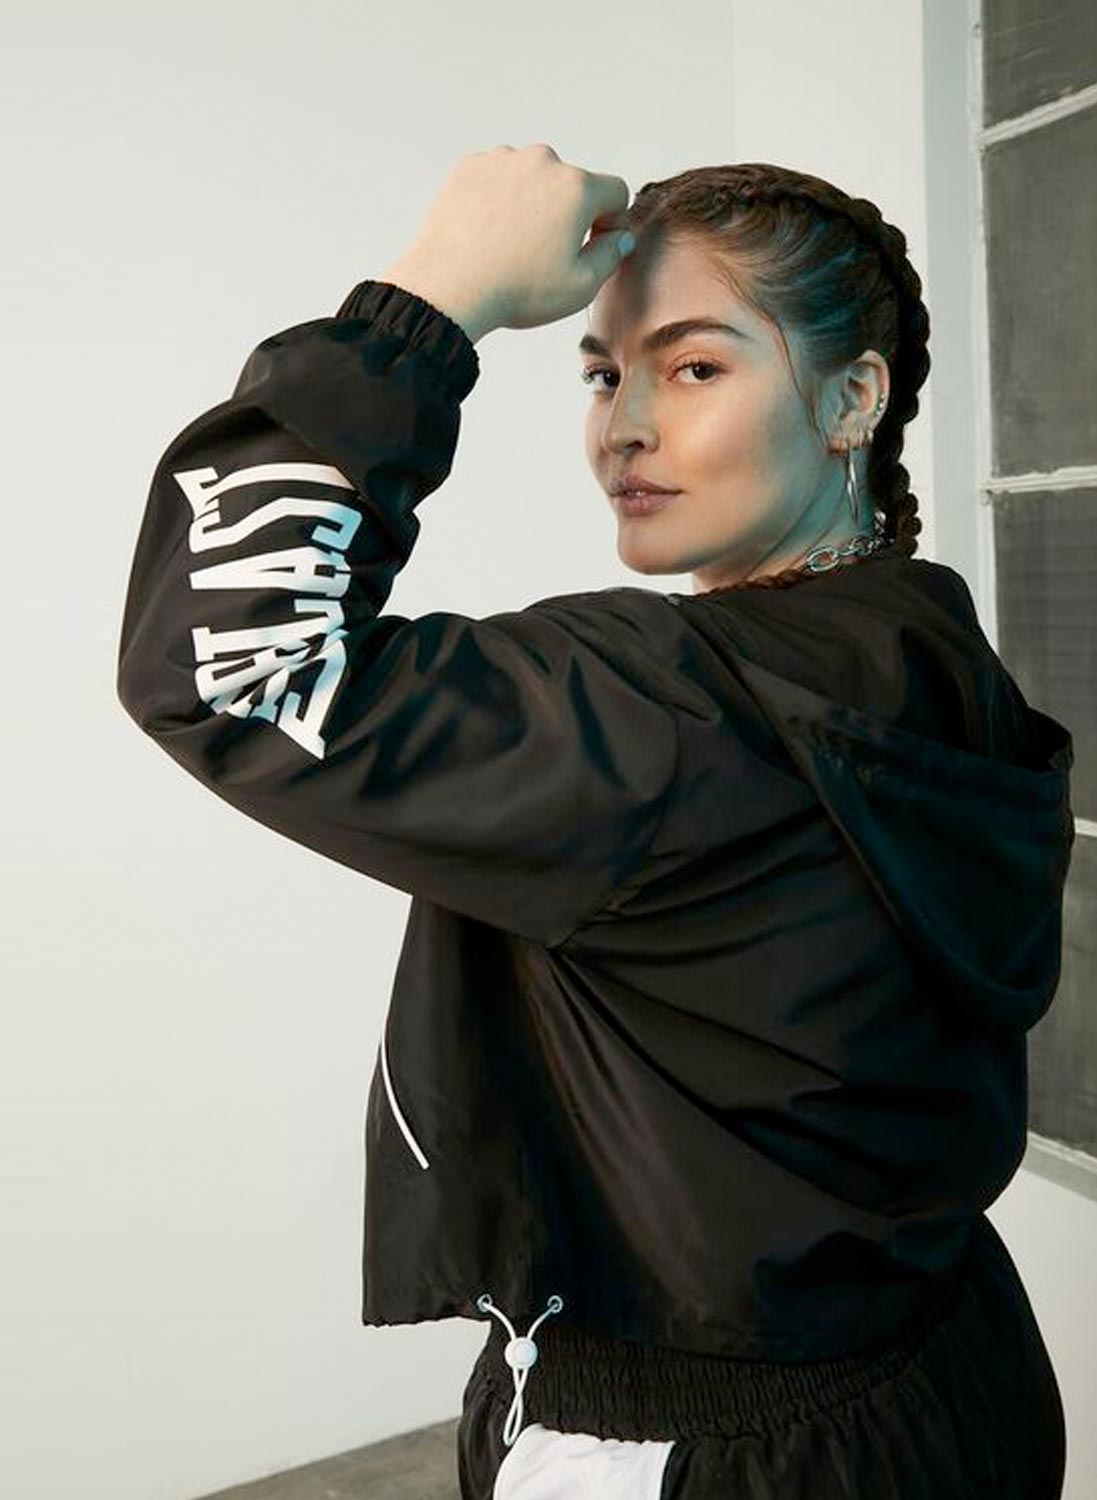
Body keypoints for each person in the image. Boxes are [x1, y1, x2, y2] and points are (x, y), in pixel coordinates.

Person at [115, 146, 1073, 1498]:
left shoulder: (669, 710)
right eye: (601, 374)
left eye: (693, 368)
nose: (623, 426)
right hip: (944, 1370)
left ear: (853, 399)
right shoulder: (923, 649)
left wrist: (426, 304)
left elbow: (225, 663)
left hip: (701, 1449)